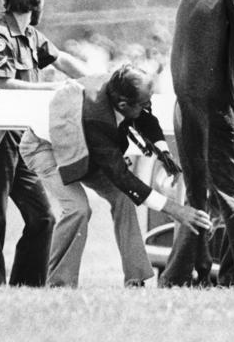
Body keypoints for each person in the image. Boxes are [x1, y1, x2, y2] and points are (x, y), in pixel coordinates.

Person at [19, 64, 212, 287]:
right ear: (122, 104)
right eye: (143, 103)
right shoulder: (96, 120)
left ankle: (135, 280)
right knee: (78, 208)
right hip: (45, 148)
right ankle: (60, 285)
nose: (147, 106)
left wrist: (164, 153)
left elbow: (146, 119)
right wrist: (175, 209)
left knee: (123, 200)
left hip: (81, 144)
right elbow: (121, 176)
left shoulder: (122, 87)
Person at [0, 0, 91, 286]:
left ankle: (27, 285)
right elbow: (5, 85)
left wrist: (95, 81)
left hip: (23, 138)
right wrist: (54, 89)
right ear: (35, 0)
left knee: (43, 216)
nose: (44, 5)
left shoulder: (33, 37)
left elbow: (64, 61)